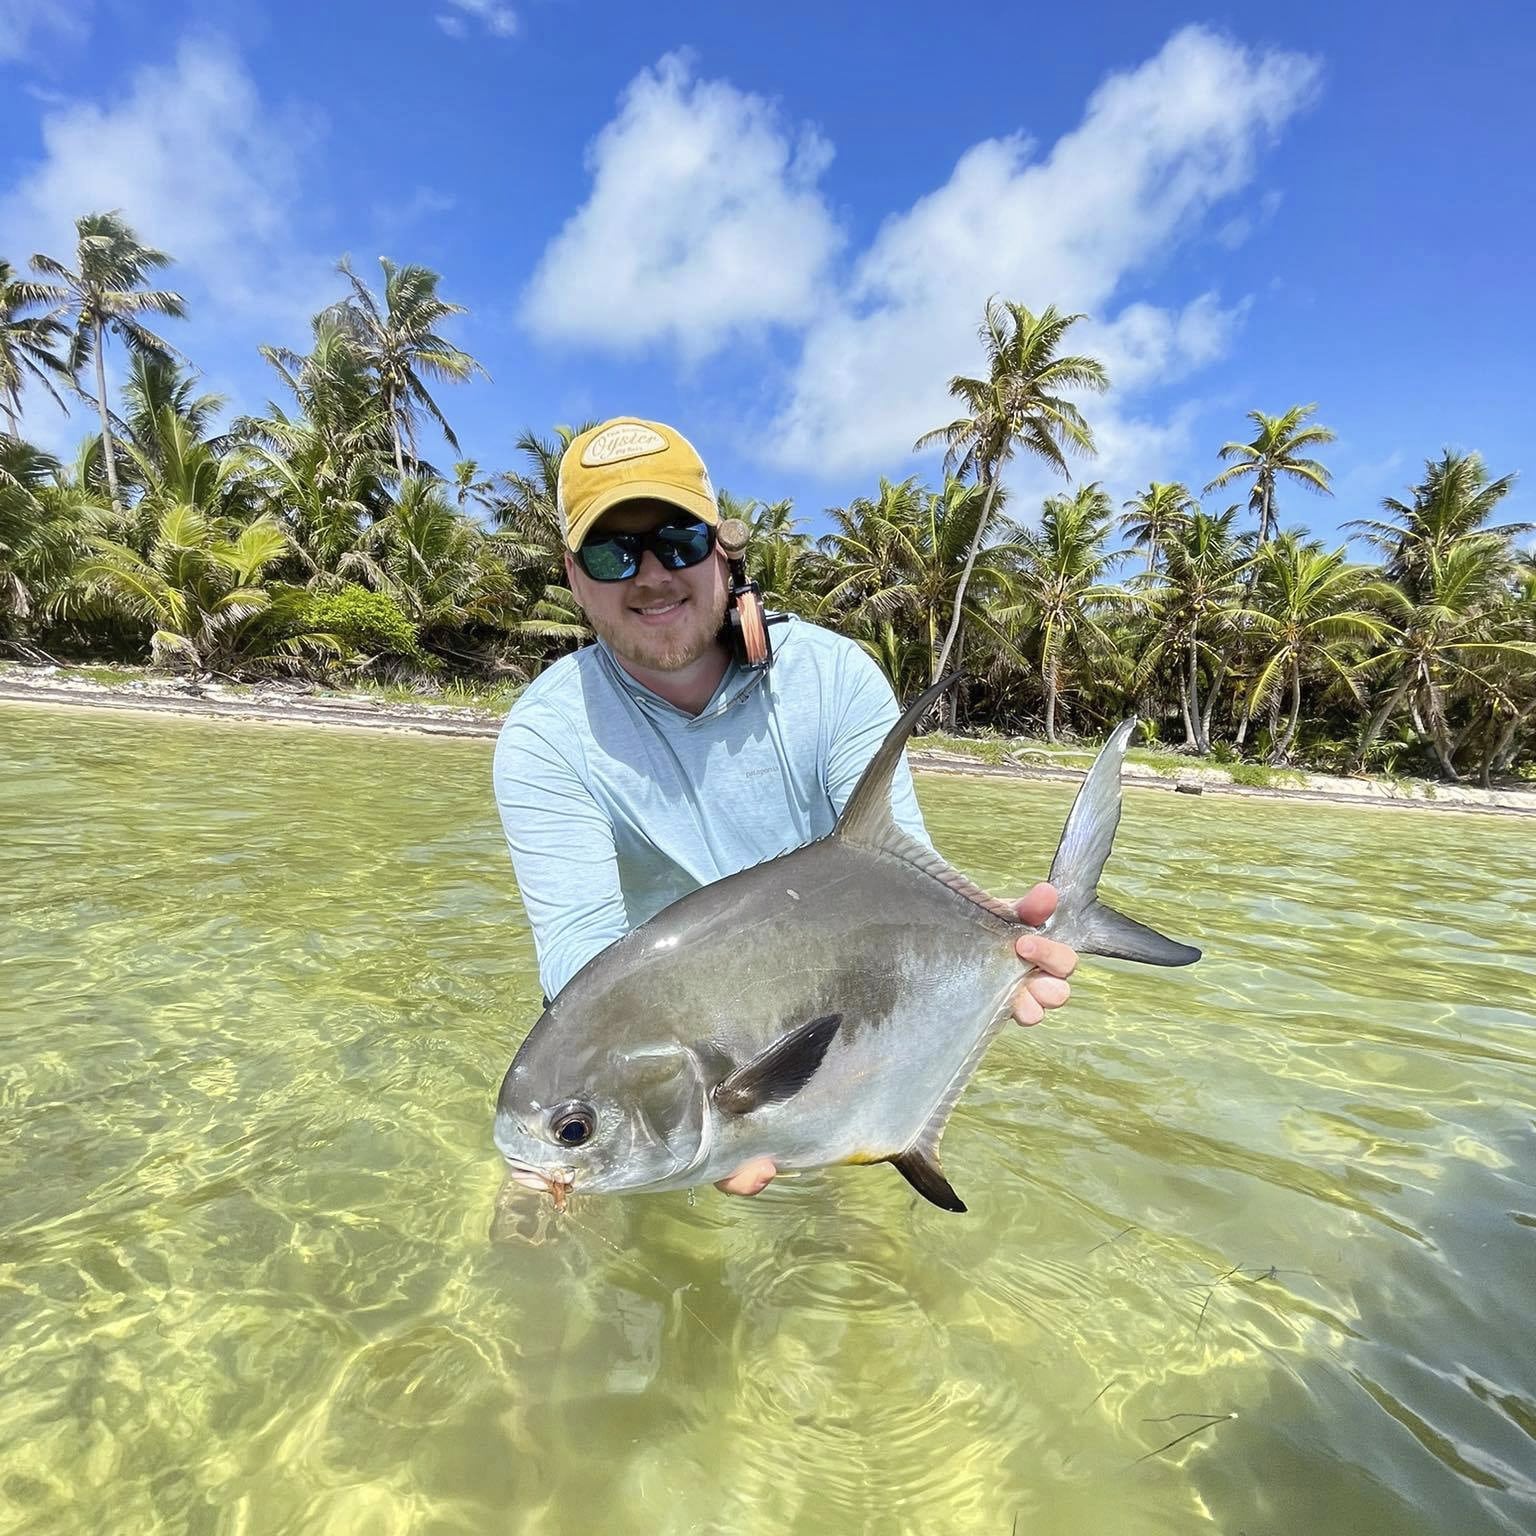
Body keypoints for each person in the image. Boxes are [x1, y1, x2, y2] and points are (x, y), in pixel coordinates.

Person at [492, 417, 1077, 1197]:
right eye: (611, 553)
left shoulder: (836, 678)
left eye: (678, 541)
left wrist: (995, 948)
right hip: (668, 1070)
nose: (651, 575)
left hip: (827, 1038)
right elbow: (581, 952)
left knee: (845, 1236)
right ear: (573, 575)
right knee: (555, 1227)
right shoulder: (545, 735)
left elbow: (892, 872)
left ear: (724, 548)